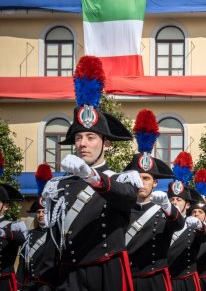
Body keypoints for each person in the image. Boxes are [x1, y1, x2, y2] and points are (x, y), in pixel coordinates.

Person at [42, 56, 140, 291]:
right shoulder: (60, 186)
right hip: (68, 276)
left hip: (106, 273)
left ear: (106, 144)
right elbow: (53, 243)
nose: (83, 144)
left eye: (90, 137)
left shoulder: (121, 179)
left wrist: (92, 177)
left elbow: (125, 198)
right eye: (78, 138)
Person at [123, 109, 185, 290]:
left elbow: (178, 224)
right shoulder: (122, 207)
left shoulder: (163, 211)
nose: (141, 183)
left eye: (147, 178)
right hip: (125, 279)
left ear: (155, 183)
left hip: (153, 281)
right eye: (138, 177)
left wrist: (167, 206)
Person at [167, 152, 206, 291]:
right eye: (172, 199)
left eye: (179, 200)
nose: (174, 202)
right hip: (164, 280)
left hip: (186, 282)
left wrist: (200, 226)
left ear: (187, 205)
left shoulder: (193, 225)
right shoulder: (160, 221)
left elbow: (205, 236)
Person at [17, 164, 58, 290]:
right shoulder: (30, 235)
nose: (41, 214)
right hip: (29, 286)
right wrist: (19, 285)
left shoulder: (55, 234)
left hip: (48, 287)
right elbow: (23, 264)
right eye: (38, 212)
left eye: (44, 211)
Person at [0, 179, 26, 291]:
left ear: (6, 206)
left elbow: (22, 239)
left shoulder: (13, 225)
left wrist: (4, 232)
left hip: (4, 281)